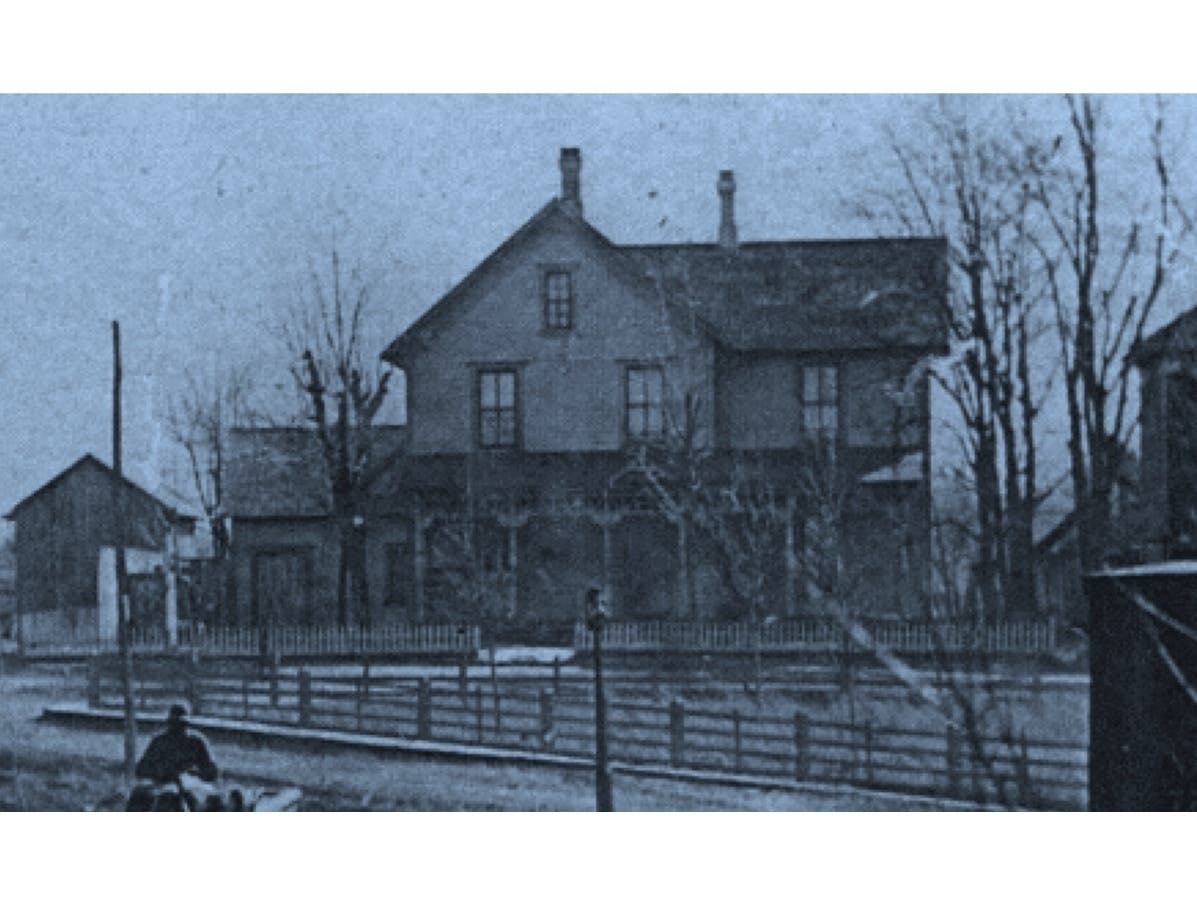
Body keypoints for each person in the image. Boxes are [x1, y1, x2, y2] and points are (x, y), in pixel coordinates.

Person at [128, 704, 218, 809]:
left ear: (187, 724)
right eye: (174, 724)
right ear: (169, 723)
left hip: (189, 785)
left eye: (182, 725)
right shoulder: (160, 741)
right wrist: (161, 772)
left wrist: (192, 773)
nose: (178, 729)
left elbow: (212, 772)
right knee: (140, 795)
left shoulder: (196, 742)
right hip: (162, 784)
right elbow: (141, 768)